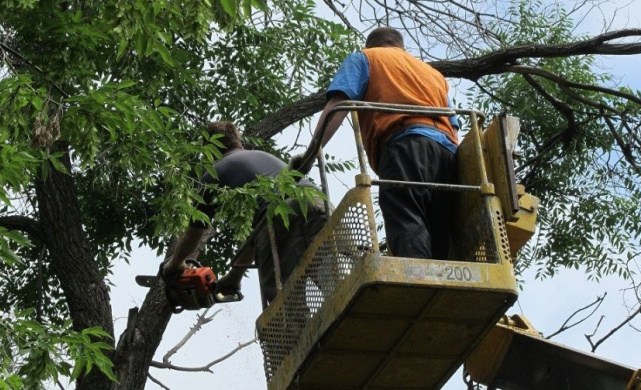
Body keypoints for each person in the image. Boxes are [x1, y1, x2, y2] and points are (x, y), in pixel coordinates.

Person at [310, 26, 459, 260]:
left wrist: (311, 153)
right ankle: (442, 287)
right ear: (401, 47)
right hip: (447, 152)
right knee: (438, 225)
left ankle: (416, 284)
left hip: (406, 144)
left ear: (372, 45)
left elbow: (338, 105)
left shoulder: (366, 57)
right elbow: (455, 123)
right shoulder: (433, 74)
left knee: (404, 213)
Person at [162, 121, 329, 306]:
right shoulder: (264, 157)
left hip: (280, 218)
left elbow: (192, 236)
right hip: (319, 203)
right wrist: (234, 275)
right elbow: (254, 237)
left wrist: (175, 264)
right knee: (336, 278)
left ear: (209, 148)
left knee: (286, 308)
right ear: (238, 141)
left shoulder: (212, 175)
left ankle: (302, 334)